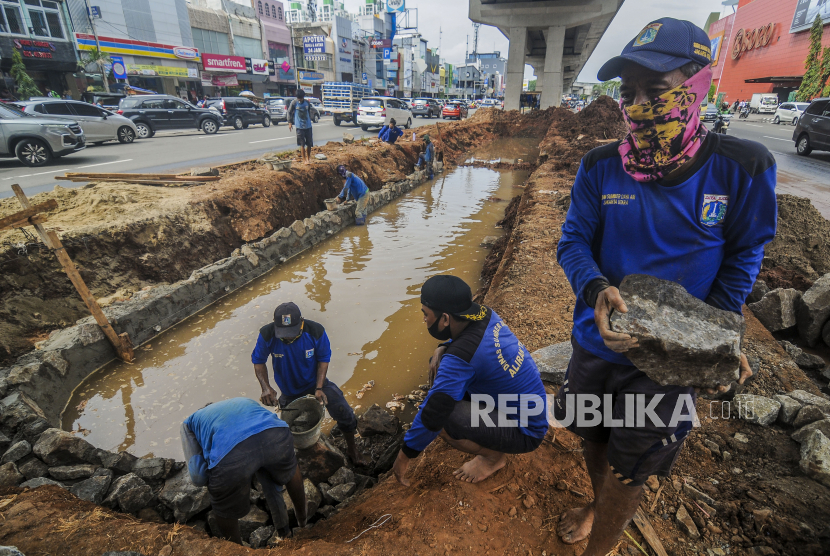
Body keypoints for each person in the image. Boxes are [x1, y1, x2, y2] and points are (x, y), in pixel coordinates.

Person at [554, 18, 775, 555]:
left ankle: (600, 546)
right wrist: (595, 287)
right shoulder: (601, 166)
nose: (639, 106)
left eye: (657, 91)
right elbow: (572, 242)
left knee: (632, 468)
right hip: (596, 344)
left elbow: (745, 253)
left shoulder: (741, 167)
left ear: (696, 86)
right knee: (594, 436)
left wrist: (714, 334)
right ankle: (596, 501)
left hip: (670, 359)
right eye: (629, 93)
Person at [392, 275, 548, 486]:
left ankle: (493, 459)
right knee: (440, 367)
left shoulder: (461, 357)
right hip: (531, 409)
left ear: (445, 319)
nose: (424, 320)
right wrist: (444, 346)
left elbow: (433, 414)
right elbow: (471, 346)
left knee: (443, 418)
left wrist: (404, 457)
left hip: (527, 431)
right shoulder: (486, 315)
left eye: (426, 315)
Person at [252, 302, 368, 465]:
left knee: (345, 413)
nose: (288, 337)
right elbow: (258, 361)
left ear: (302, 322)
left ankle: (352, 449)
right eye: (283, 333)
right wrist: (266, 388)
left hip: (316, 384)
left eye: (291, 332)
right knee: (291, 431)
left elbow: (323, 359)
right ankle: (306, 462)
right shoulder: (267, 334)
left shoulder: (315, 331)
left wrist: (319, 388)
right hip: (289, 391)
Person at [181, 397, 307, 543]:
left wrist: (218, 477)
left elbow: (198, 477)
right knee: (279, 472)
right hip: (276, 434)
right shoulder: (242, 401)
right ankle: (298, 525)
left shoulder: (189, 423)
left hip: (234, 454)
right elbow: (256, 439)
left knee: (223, 505)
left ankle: (237, 549)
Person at [287, 90, 317, 164]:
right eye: (298, 98)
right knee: (302, 144)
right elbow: (289, 112)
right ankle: (304, 160)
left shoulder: (307, 103)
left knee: (309, 144)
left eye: (300, 98)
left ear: (303, 97)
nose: (299, 99)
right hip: (299, 126)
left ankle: (308, 158)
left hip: (308, 126)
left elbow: (309, 111)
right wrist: (290, 122)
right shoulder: (294, 103)